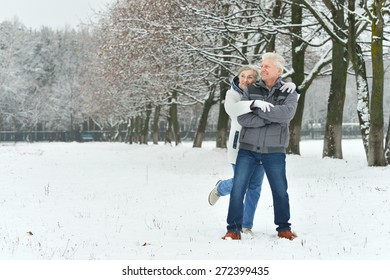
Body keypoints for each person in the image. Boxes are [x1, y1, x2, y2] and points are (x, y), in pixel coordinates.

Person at [208, 64, 296, 236]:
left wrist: (293, 86)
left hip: (262, 145)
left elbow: (280, 101)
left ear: (256, 80)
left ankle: (246, 225)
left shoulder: (261, 91)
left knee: (255, 186)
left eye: (250, 77)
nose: (245, 80)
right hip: (240, 146)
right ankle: (221, 188)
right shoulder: (232, 94)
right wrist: (260, 110)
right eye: (242, 76)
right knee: (241, 183)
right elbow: (236, 113)